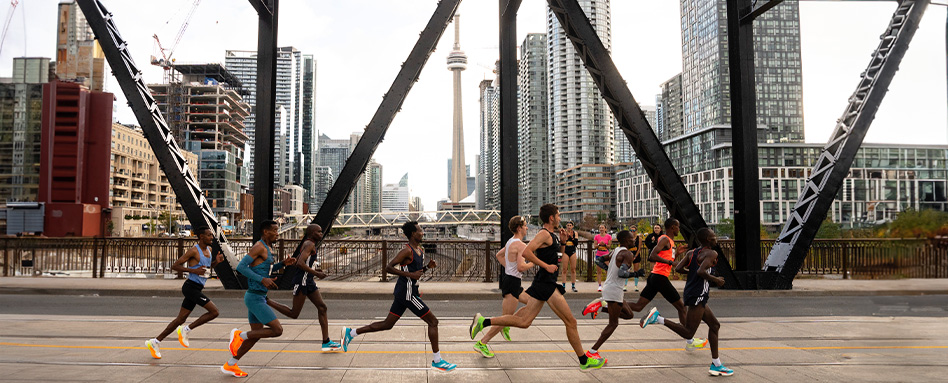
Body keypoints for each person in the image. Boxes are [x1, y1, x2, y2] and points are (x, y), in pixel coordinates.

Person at [470, 204, 606, 371]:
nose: (560, 218)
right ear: (551, 218)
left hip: (544, 283)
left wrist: (563, 244)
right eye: (558, 215)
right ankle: (584, 360)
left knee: (524, 321)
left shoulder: (553, 236)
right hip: (546, 284)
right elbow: (527, 252)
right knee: (571, 321)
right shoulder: (543, 234)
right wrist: (545, 266)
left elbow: (557, 257)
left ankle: (484, 321)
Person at [341, 221, 457, 372]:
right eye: (420, 231)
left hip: (408, 292)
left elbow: (416, 272)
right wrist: (410, 274)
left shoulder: (419, 250)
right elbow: (388, 267)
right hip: (407, 293)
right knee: (433, 322)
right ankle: (437, 360)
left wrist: (427, 267)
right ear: (413, 234)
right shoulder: (406, 251)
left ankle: (351, 332)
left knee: (388, 324)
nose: (422, 233)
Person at [583, 218, 707, 350]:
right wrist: (671, 262)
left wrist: (676, 255)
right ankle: (690, 340)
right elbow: (652, 256)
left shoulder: (670, 242)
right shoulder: (664, 239)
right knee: (682, 307)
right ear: (672, 227)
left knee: (637, 307)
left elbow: (664, 258)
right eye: (677, 226)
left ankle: (603, 306)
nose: (679, 229)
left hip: (656, 277)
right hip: (660, 277)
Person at [641, 227, 733, 376]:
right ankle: (658, 318)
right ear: (709, 240)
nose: (716, 238)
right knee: (688, 332)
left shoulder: (692, 253)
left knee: (715, 325)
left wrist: (694, 274)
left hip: (694, 292)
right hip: (698, 294)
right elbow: (701, 271)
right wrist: (716, 280)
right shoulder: (711, 253)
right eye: (714, 236)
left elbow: (678, 268)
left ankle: (716, 364)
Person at [222, 220, 297, 378]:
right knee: (277, 330)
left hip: (259, 296)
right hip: (254, 296)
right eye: (275, 230)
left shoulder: (268, 248)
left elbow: (264, 268)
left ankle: (230, 364)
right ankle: (239, 336)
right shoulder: (259, 246)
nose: (278, 233)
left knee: (256, 335)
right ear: (265, 232)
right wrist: (262, 280)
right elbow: (241, 267)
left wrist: (283, 264)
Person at [145, 226, 223, 359]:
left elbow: (206, 269)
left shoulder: (209, 250)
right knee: (214, 312)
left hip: (197, 288)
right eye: (209, 235)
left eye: (212, 235)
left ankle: (155, 342)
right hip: (190, 287)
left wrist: (216, 262)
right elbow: (175, 266)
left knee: (180, 319)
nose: (212, 238)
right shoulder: (193, 251)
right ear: (201, 237)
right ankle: (186, 329)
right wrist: (193, 271)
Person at [265, 224, 341, 351]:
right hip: (302, 281)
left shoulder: (309, 244)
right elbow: (300, 263)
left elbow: (305, 262)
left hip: (308, 280)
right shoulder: (309, 244)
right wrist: (317, 273)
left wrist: (314, 270)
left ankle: (326, 341)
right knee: (294, 313)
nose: (321, 234)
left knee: (322, 307)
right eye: (319, 232)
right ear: (311, 233)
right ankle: (267, 301)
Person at [473, 216, 534, 358]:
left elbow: (499, 255)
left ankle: (506, 325)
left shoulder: (510, 241)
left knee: (533, 303)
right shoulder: (520, 245)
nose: (527, 228)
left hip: (512, 281)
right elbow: (520, 267)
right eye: (525, 225)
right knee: (504, 318)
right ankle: (482, 343)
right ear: (519, 228)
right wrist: (534, 263)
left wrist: (509, 268)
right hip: (512, 283)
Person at [584, 230, 645, 361]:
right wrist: (636, 274)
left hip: (610, 288)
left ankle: (601, 308)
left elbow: (599, 259)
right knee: (613, 324)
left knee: (629, 315)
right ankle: (592, 351)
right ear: (625, 240)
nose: (633, 240)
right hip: (614, 290)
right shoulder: (627, 254)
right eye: (631, 239)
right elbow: (622, 274)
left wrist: (609, 269)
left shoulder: (615, 251)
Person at [559, 222, 579, 292]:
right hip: (565, 251)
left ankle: (573, 285)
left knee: (573, 269)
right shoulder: (564, 233)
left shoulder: (575, 233)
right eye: (568, 225)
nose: (569, 227)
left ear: (572, 226)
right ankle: (563, 285)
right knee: (564, 269)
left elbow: (576, 243)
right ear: (566, 226)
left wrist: (571, 237)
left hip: (572, 251)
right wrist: (565, 237)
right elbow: (561, 241)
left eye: (570, 225)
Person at [593, 224, 612, 292]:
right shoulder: (596, 236)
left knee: (607, 270)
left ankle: (607, 285)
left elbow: (609, 246)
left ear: (605, 229)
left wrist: (605, 244)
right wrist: (598, 245)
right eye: (600, 228)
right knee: (599, 271)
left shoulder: (608, 236)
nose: (601, 229)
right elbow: (594, 246)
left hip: (606, 254)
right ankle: (600, 285)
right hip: (599, 254)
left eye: (602, 228)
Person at [626, 227, 644, 292]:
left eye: (633, 230)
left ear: (636, 231)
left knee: (636, 270)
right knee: (627, 270)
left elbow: (639, 248)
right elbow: (626, 247)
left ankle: (636, 285)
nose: (632, 232)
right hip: (629, 255)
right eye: (631, 230)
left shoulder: (639, 239)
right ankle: (625, 285)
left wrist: (635, 256)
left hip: (636, 255)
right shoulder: (628, 238)